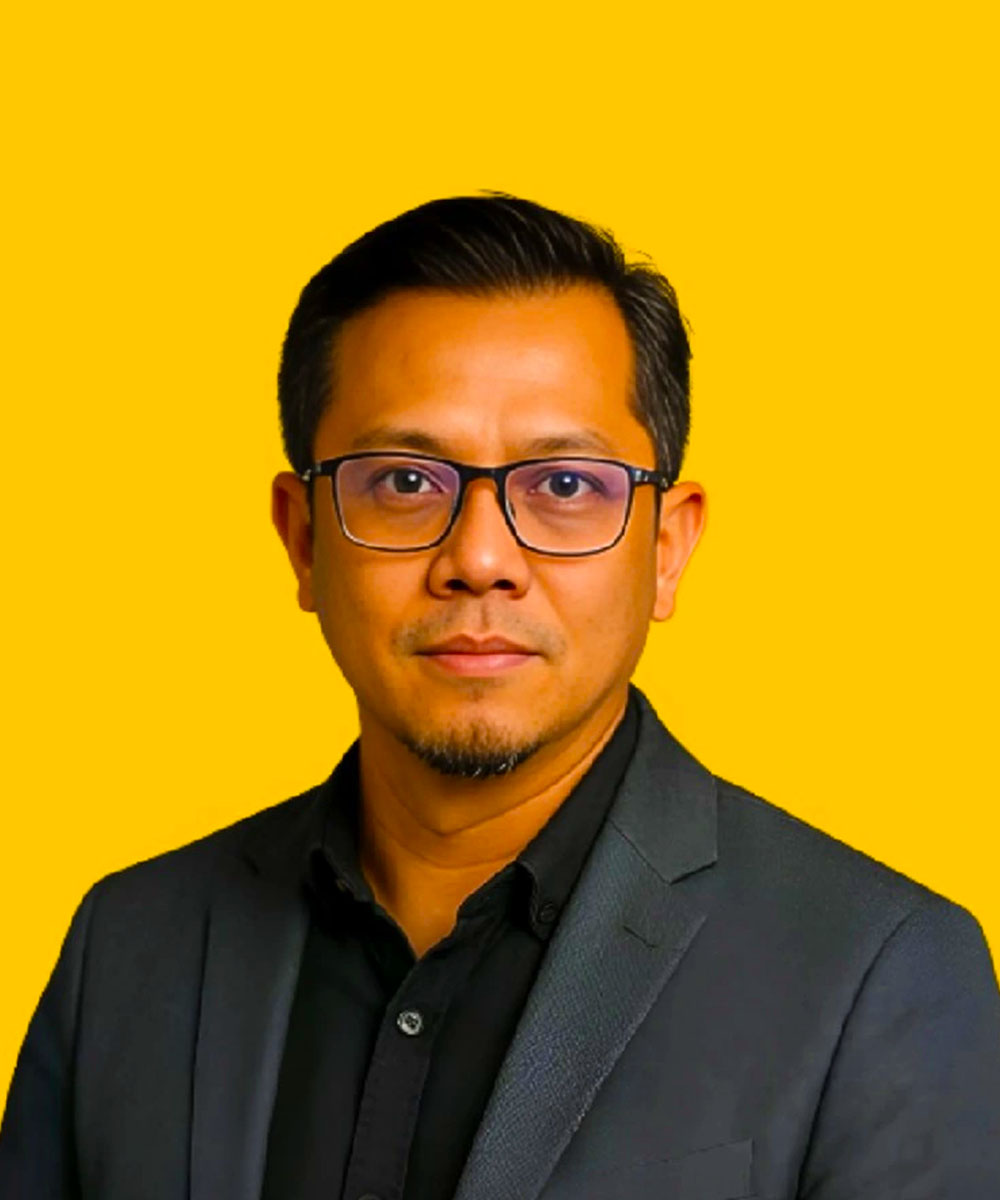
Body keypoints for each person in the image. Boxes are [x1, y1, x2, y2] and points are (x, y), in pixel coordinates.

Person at [2, 194, 999, 1200]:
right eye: (404, 482)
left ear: (666, 547)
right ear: (302, 536)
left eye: (564, 486)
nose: (479, 559)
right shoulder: (126, 948)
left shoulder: (876, 977)